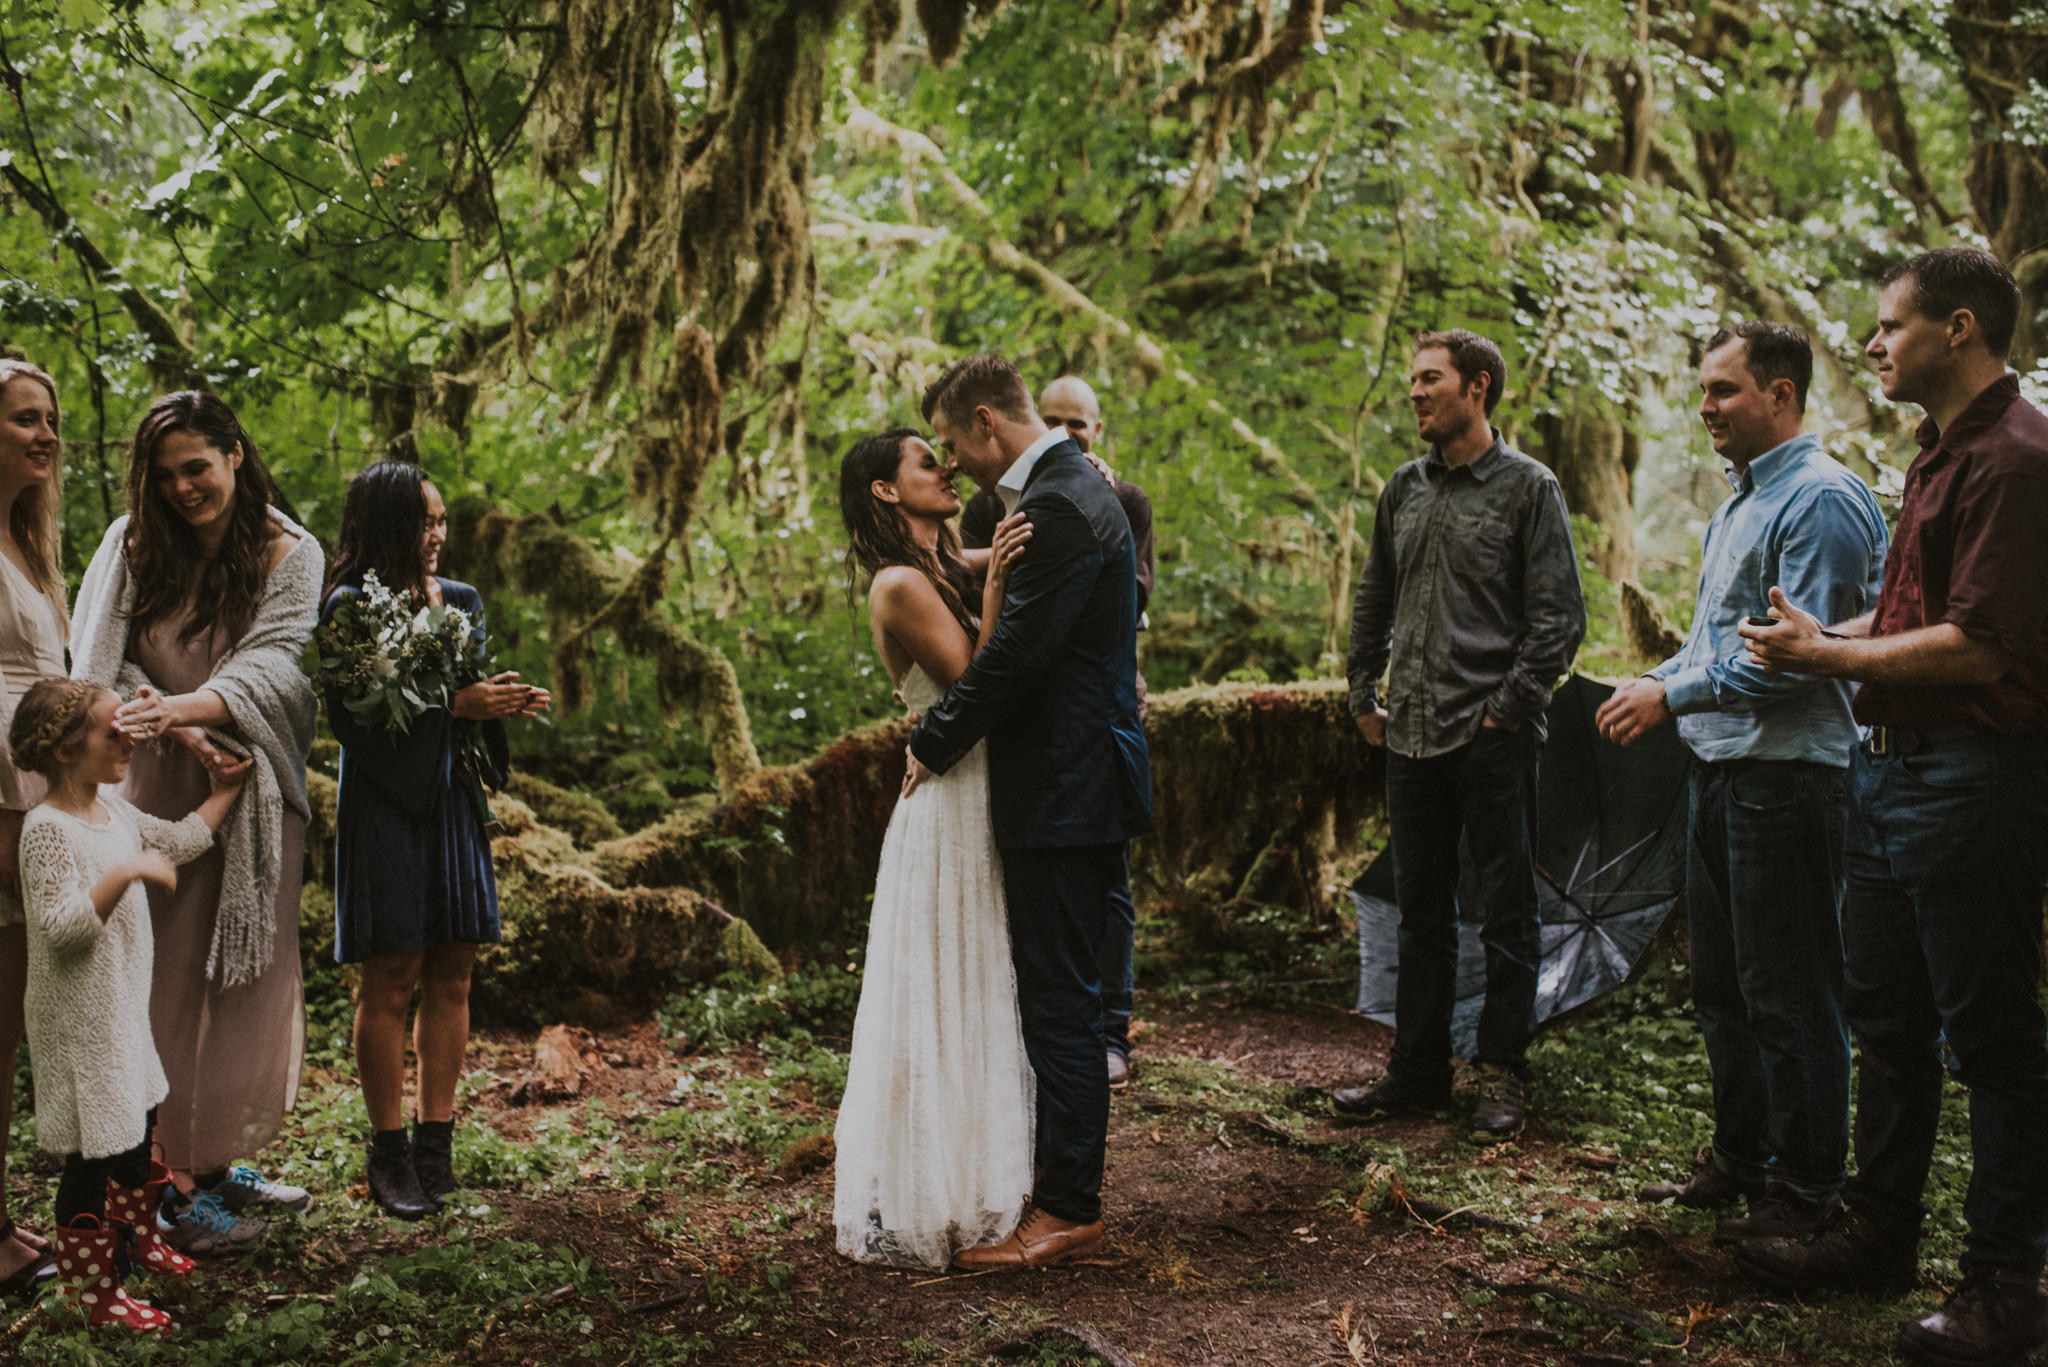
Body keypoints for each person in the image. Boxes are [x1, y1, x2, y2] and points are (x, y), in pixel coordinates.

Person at [1735, 248, 2048, 1367]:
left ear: (1956, 328)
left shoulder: (2015, 459)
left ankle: (2007, 1288)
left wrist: (1827, 655)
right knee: (1887, 1021)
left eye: (1886, 327)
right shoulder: (1933, 456)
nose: (1869, 345)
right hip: (1891, 772)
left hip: (1974, 778)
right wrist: (1818, 639)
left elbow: (1980, 645)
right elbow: (1911, 611)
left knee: (1992, 1038)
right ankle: (1875, 1232)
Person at [1596, 323, 1886, 1240]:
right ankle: (1741, 1158)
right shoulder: (1739, 503)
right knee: (1722, 985)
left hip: (1790, 781)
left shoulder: (1824, 501)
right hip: (1720, 774)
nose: (1706, 406)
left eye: (1724, 389)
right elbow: (1716, 642)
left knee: (1791, 990)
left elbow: (1799, 660)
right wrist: (1655, 679)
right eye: (1704, 390)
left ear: (1783, 393)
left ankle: (1806, 1191)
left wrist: (1669, 691)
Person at [905, 353, 1152, 1269]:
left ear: (984, 423)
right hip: (1083, 776)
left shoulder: (1055, 505)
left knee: (1060, 998)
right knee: (1062, 992)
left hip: (1065, 784)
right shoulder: (1071, 490)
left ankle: (1067, 1208)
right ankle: (1058, 1190)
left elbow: (1012, 660)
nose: (952, 461)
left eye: (951, 441)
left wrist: (929, 742)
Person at [70, 391, 324, 1254]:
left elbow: (273, 667)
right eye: (167, 474)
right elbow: (98, 655)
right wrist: (166, 721)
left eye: (198, 468)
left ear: (235, 457)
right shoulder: (135, 543)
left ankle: (211, 1162)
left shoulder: (291, 552)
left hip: (251, 782)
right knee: (163, 976)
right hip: (150, 776)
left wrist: (184, 710)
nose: (184, 488)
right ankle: (165, 1184)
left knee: (240, 976)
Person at [1339, 329, 1584, 1138]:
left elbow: (1558, 624)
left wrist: (1500, 714)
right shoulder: (1402, 489)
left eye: (1430, 378)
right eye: (1411, 378)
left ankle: (1501, 1072)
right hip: (1406, 733)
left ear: (1477, 387)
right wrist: (1360, 693)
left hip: (1492, 739)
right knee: (1421, 913)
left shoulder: (1529, 488)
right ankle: (1415, 1071)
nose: (1414, 391)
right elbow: (1374, 598)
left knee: (1509, 912)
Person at [831, 428, 1037, 1270]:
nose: (947, 471)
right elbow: (977, 674)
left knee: (979, 981)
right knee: (943, 989)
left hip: (979, 792)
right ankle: (926, 1192)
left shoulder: (943, 564)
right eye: (927, 462)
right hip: (947, 802)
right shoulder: (898, 585)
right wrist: (1005, 580)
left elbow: (1004, 548)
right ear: (886, 490)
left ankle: (973, 1178)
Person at [321, 462, 549, 1220]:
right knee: (390, 974)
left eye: (443, 519)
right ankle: (387, 1149)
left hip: (451, 798)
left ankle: (434, 1141)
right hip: (386, 800)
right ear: (386, 523)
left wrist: (499, 702)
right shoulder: (350, 606)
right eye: (425, 521)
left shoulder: (462, 601)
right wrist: (456, 703)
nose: (438, 534)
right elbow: (355, 715)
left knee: (454, 971)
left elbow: (467, 694)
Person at [12, 677, 247, 1330]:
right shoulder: (45, 829)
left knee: (137, 1130)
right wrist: (126, 872)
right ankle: (92, 1293)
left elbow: (176, 841)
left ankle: (138, 1239)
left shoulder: (116, 813)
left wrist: (225, 788)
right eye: (111, 730)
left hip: (120, 1012)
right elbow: (61, 931)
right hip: (77, 1023)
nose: (129, 741)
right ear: (62, 748)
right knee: (92, 1157)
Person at [961, 374, 1152, 1092]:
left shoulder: (1122, 499)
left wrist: (1087, 512)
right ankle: (1049, 1031)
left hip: (1104, 702)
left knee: (1109, 884)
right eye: (1057, 419)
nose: (1071, 432)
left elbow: (1133, 593)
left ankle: (1110, 1027)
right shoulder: (988, 504)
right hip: (1025, 711)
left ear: (1099, 428)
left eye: (1083, 423)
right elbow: (973, 591)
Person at [0, 359, 71, 1297]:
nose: (46, 434)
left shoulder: (28, 540)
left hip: (31, 784)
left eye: (50, 418)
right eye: (24, 419)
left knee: (9, 1016)